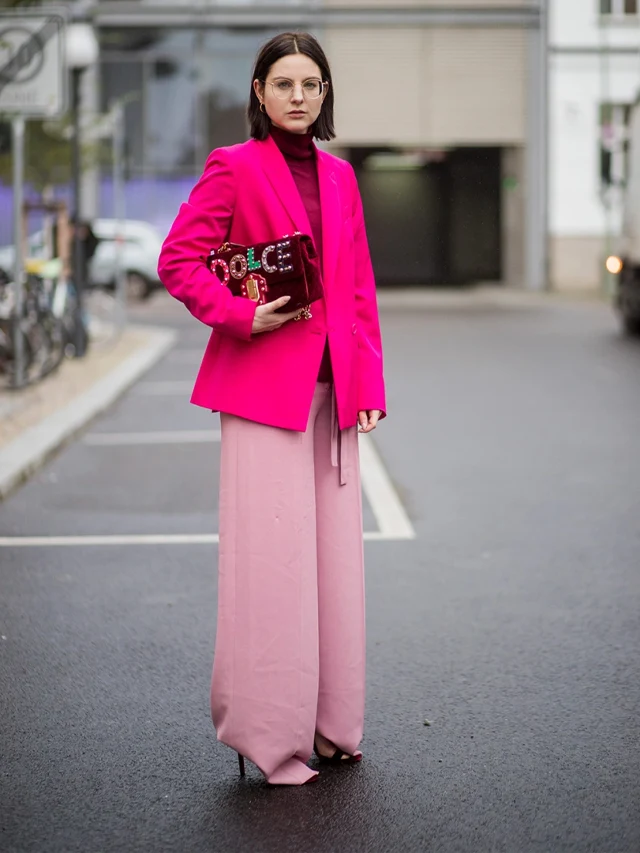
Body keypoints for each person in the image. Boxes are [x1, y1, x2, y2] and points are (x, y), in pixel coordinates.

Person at [158, 31, 386, 786]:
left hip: (334, 392)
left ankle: (330, 726)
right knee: (273, 566)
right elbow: (178, 259)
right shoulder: (235, 167)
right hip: (261, 390)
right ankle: (268, 734)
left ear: (325, 95)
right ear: (258, 91)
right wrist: (234, 314)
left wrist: (370, 387)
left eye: (311, 85)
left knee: (335, 569)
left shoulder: (343, 176)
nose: (298, 96)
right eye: (283, 83)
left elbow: (357, 287)